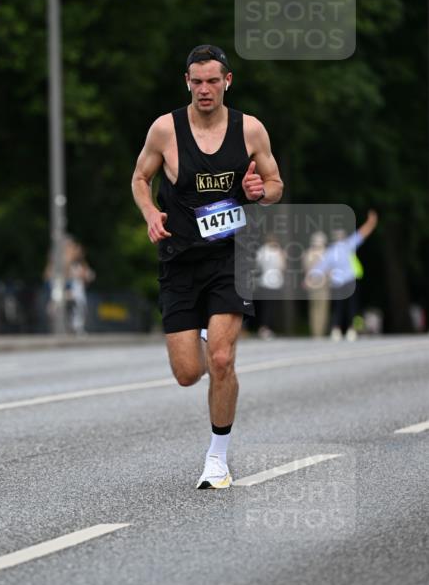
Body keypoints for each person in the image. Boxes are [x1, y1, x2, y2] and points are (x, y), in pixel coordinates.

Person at [131, 44, 283, 490]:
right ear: (187, 83)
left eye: (212, 81)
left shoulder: (250, 130)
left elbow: (274, 185)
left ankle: (217, 459)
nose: (204, 89)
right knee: (186, 374)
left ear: (227, 82)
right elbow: (141, 178)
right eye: (196, 81)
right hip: (179, 259)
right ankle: (199, 330)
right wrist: (150, 214)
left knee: (221, 358)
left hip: (230, 257)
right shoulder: (165, 130)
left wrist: (259, 191)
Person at [306, 210, 377, 341]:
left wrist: (309, 279)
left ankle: (336, 329)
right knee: (353, 307)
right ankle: (352, 330)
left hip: (337, 282)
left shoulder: (330, 251)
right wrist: (371, 222)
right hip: (350, 280)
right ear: (343, 236)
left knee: (338, 307)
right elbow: (362, 233)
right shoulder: (348, 245)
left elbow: (320, 267)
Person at [255, 233, 286, 339]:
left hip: (264, 282)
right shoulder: (278, 251)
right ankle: (265, 328)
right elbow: (283, 266)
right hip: (275, 283)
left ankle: (265, 328)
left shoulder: (261, 251)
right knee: (271, 308)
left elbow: (257, 265)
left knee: (265, 307)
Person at [302, 231, 330, 337]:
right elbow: (329, 270)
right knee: (322, 309)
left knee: (313, 308)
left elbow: (305, 269)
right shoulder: (326, 254)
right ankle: (320, 332)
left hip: (311, 284)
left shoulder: (307, 253)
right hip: (323, 285)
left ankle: (315, 332)